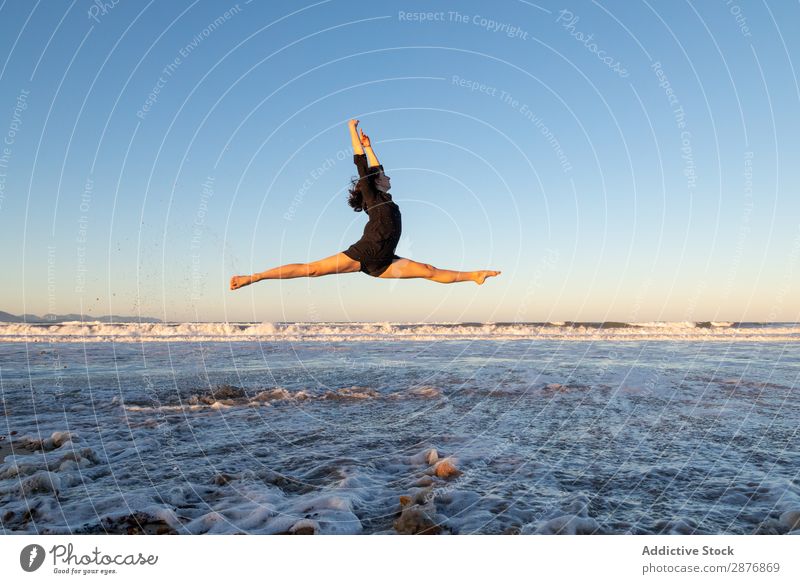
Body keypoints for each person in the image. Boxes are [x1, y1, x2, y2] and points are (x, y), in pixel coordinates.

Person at [229, 119, 500, 290]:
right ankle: (253, 277)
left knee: (429, 271)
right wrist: (352, 131)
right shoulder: (372, 195)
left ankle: (474, 275)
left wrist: (371, 147)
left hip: (382, 261)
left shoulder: (384, 198)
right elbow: (363, 167)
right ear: (375, 182)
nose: (389, 176)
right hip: (366, 252)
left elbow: (377, 167)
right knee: (311, 270)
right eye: (384, 176)